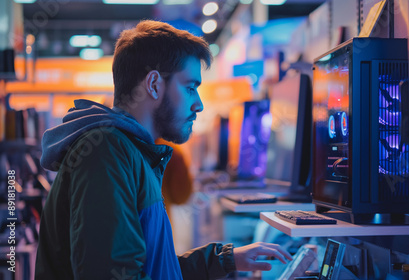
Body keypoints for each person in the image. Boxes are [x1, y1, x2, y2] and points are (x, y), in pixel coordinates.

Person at [35, 20, 292, 280]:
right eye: (190, 87)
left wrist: (223, 260)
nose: (199, 105)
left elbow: (153, 269)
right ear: (154, 84)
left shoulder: (129, 151)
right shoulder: (107, 152)